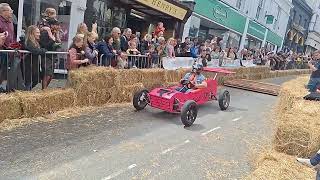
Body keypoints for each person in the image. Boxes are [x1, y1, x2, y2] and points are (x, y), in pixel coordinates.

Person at [22, 25, 47, 90]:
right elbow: (35, 50)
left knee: (35, 80)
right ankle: (25, 93)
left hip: (34, 65)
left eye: (39, 32)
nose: (39, 34)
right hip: (28, 65)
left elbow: (42, 47)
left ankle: (26, 91)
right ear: (32, 33)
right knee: (28, 82)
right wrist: (43, 50)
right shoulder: (27, 41)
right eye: (37, 32)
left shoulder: (36, 41)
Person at [39, 18, 61, 89]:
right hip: (46, 56)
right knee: (47, 74)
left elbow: (58, 44)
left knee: (51, 75)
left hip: (52, 56)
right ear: (51, 25)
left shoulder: (54, 33)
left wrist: (57, 37)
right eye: (56, 25)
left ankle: (45, 89)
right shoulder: (45, 33)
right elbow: (45, 45)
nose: (58, 27)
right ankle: (44, 90)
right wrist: (52, 39)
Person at [0, 3, 15, 87]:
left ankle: (2, 87)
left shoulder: (10, 22)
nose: (11, 12)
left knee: (5, 70)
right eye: (10, 11)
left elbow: (12, 36)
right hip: (1, 50)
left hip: (8, 51)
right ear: (3, 11)